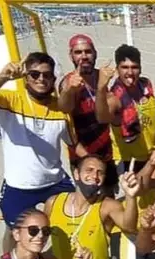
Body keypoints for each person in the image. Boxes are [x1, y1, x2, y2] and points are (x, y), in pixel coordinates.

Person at [0, 52, 76, 253]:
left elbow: (74, 145)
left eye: (46, 75)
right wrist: (3, 76)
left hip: (55, 181)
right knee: (15, 232)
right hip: (19, 184)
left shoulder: (61, 109)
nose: (41, 79)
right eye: (34, 74)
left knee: (70, 221)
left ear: (53, 79)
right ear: (26, 78)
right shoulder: (10, 101)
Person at [95, 44, 155, 177]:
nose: (130, 72)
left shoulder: (146, 86)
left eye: (134, 67)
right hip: (130, 162)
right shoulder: (114, 98)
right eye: (124, 67)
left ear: (140, 69)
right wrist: (101, 88)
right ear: (117, 70)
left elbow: (154, 118)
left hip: (152, 155)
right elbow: (102, 118)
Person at [57, 35, 113, 171]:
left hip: (106, 152)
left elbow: (107, 115)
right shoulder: (69, 82)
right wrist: (69, 90)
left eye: (88, 51)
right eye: (78, 52)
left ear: (95, 54)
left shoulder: (102, 76)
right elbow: (64, 109)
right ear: (71, 56)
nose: (84, 56)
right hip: (82, 156)